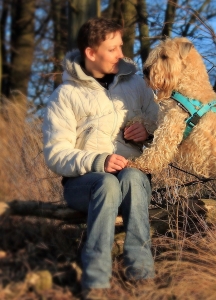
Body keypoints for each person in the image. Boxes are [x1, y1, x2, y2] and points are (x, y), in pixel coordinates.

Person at [42, 17, 158, 298]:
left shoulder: (138, 86)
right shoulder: (65, 95)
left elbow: (161, 122)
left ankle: (142, 276)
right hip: (85, 183)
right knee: (106, 184)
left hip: (133, 177)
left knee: (132, 176)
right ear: (91, 53)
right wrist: (98, 162)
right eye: (113, 49)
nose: (122, 54)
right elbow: (56, 154)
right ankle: (96, 282)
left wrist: (147, 130)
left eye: (121, 46)